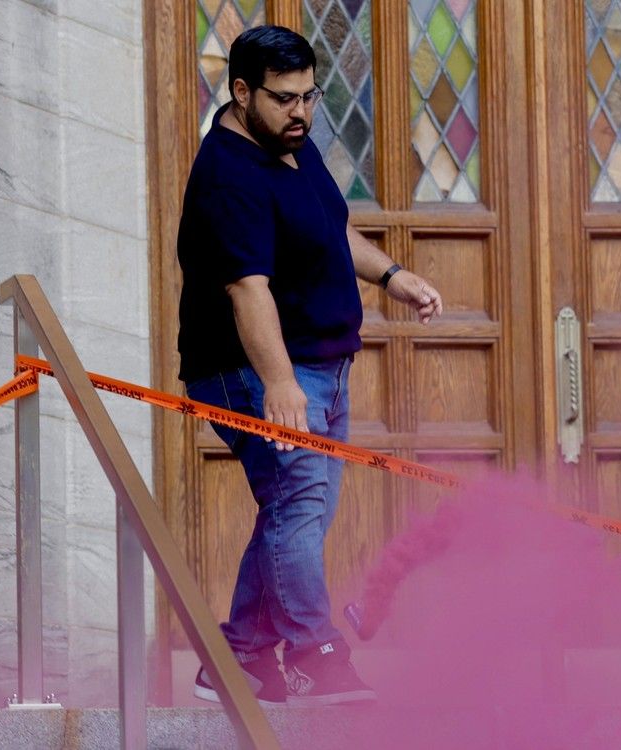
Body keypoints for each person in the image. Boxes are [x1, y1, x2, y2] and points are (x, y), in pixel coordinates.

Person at [176, 25, 443, 707]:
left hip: (323, 366)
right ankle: (316, 655)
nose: (301, 112)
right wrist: (279, 382)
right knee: (297, 507)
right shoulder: (229, 175)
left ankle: (236, 659)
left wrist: (393, 276)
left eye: (310, 96)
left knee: (296, 516)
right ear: (242, 92)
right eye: (284, 98)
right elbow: (247, 288)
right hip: (253, 371)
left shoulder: (290, 143)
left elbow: (331, 226)